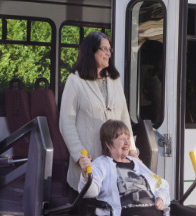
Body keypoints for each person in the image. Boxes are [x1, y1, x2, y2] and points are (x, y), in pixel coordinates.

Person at [59, 31, 138, 193]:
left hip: (116, 160)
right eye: (104, 49)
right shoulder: (75, 81)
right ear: (91, 51)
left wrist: (132, 150)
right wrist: (80, 156)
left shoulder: (114, 80)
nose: (108, 53)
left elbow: (124, 118)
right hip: (90, 161)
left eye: (110, 49)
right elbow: (66, 123)